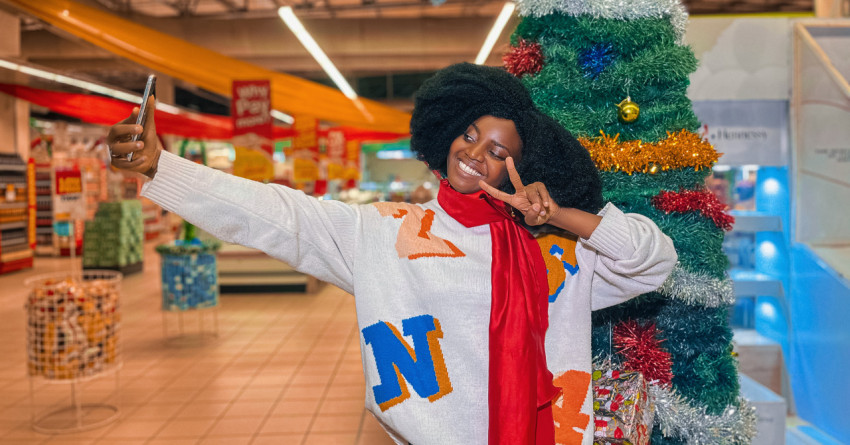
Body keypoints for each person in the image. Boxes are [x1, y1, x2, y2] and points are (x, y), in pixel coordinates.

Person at [107, 63, 676, 445]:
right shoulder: (385, 232)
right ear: (447, 132)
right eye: (470, 133)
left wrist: (562, 217)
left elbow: (652, 261)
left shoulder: (557, 254)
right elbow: (280, 217)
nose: (475, 153)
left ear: (519, 166)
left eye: (498, 150)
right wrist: (163, 169)